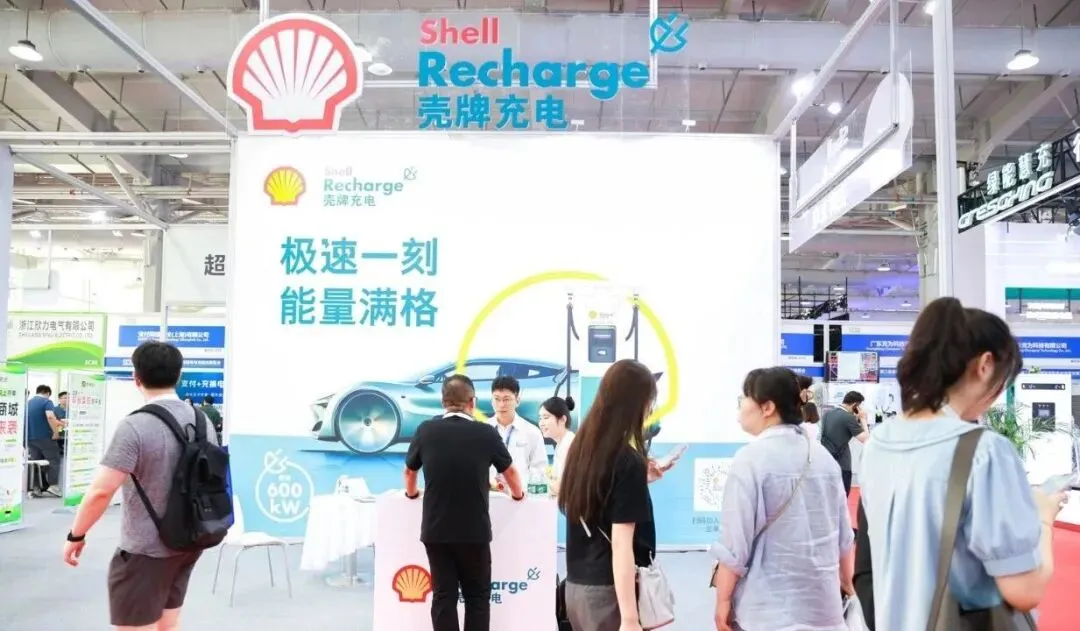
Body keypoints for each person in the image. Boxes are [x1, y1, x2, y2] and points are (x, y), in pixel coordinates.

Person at [857, 297, 1066, 631]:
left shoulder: (879, 444)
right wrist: (1044, 516)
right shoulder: (985, 451)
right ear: (985, 364)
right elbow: (1025, 590)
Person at [63, 340, 217, 631]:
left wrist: (76, 535)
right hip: (190, 539)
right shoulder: (202, 421)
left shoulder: (135, 425)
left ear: (136, 377)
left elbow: (101, 491)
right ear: (179, 375)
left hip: (146, 549)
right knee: (168, 624)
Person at [710, 367, 853, 631]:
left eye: (745, 397)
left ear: (767, 407)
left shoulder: (749, 460)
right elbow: (844, 538)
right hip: (823, 609)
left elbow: (735, 545)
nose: (741, 405)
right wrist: (847, 586)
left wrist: (724, 599)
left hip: (766, 610)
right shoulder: (823, 458)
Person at [404, 374, 525, 631]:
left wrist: (412, 494)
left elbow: (409, 472)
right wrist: (518, 495)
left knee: (443, 595)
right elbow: (511, 473)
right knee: (477, 597)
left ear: (443, 402)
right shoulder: (485, 432)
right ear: (473, 402)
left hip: (436, 529)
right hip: (474, 530)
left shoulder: (426, 430)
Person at [560, 359, 661, 631]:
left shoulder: (582, 450)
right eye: (649, 401)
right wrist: (629, 618)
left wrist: (641, 480)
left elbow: (600, 499)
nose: (650, 409)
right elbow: (621, 544)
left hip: (577, 587)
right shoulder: (626, 460)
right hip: (608, 593)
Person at [486, 376, 547, 485]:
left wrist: (519, 484)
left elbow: (540, 469)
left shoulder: (532, 432)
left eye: (506, 399)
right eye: (497, 399)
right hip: (489, 492)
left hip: (521, 492)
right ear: (491, 401)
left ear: (517, 401)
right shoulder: (483, 430)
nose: (501, 404)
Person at [820, 391, 869, 495]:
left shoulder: (827, 414)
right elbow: (866, 439)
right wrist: (863, 420)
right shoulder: (848, 418)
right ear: (855, 405)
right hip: (842, 465)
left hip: (826, 463)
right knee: (842, 497)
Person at [26, 384, 64, 497]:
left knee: (36, 463)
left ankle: (36, 488)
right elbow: (50, 416)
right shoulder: (46, 402)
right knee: (54, 460)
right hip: (45, 437)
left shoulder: (28, 403)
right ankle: (53, 486)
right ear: (47, 393)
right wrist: (55, 432)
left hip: (30, 438)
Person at [538, 396, 576, 493]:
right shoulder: (561, 444)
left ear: (562, 419)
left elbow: (561, 487)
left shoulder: (570, 445)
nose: (541, 423)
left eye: (546, 418)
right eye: (540, 418)